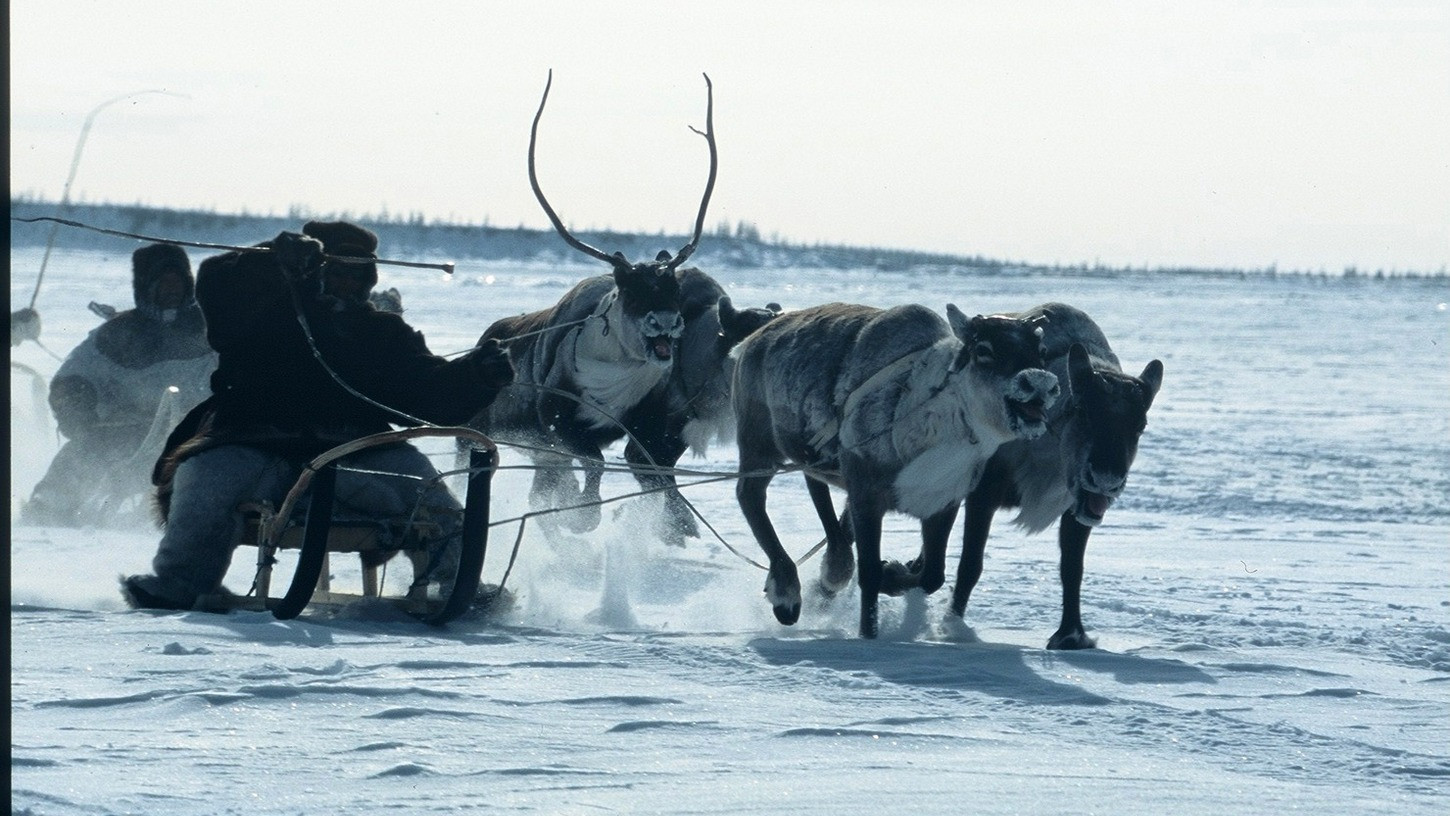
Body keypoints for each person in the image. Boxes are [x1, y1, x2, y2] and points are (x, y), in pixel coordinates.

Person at [121, 221, 514, 611]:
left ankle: (452, 585)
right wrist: (271, 261)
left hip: (356, 453)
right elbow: (218, 287)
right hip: (252, 443)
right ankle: (179, 582)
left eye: (357, 276)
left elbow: (427, 395)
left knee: (428, 491)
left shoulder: (383, 333)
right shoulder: (262, 308)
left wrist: (475, 376)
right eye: (337, 272)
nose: (347, 284)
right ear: (314, 269)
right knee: (205, 478)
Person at [22, 244, 216, 527]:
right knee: (84, 452)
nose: (172, 290)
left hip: (196, 433)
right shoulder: (114, 334)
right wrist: (77, 412)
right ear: (146, 286)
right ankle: (47, 512)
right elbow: (71, 378)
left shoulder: (213, 328)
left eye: (178, 282)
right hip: (128, 433)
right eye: (164, 283)